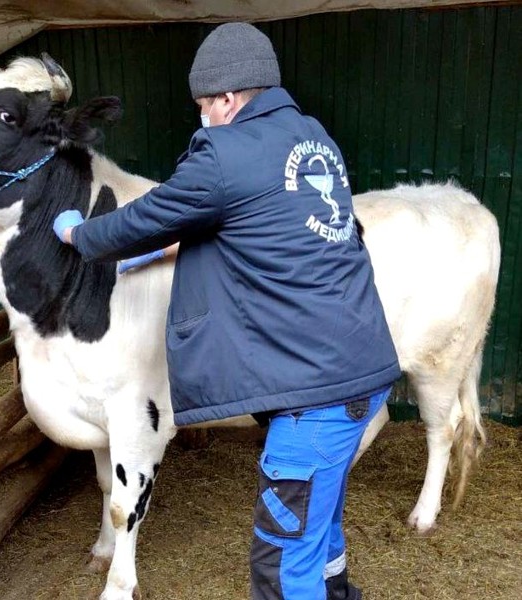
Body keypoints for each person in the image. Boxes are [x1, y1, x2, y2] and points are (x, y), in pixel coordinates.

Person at [53, 22, 400, 600]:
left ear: (228, 99)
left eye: (202, 107)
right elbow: (265, 227)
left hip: (312, 397)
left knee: (282, 567)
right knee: (321, 539)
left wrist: (81, 236)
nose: (201, 119)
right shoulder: (312, 137)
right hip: (358, 375)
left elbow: (145, 217)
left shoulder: (224, 151)